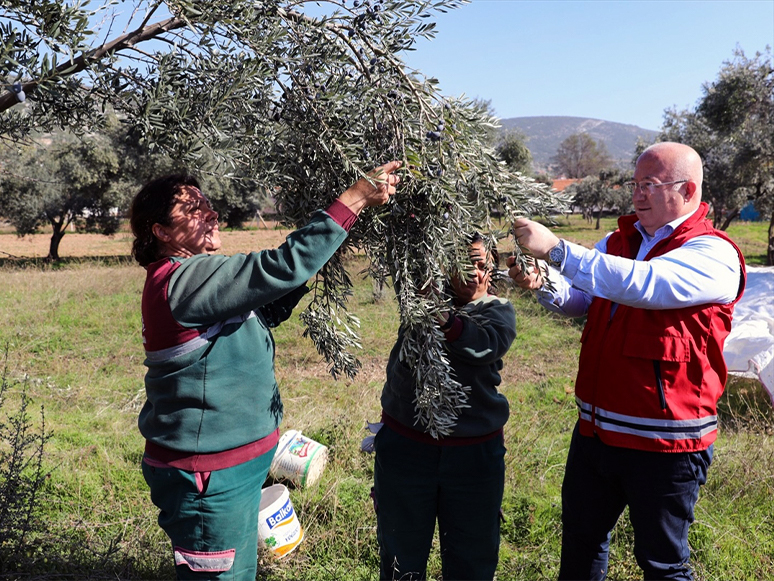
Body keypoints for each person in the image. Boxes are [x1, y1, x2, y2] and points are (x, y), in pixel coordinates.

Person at [129, 161, 401, 580]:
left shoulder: (191, 281)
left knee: (238, 569)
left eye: (208, 204)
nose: (211, 213)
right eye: (193, 209)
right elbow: (278, 268)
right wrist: (355, 198)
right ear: (161, 232)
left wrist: (328, 245)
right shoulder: (183, 280)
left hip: (231, 467)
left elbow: (262, 306)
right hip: (209, 478)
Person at [507, 142, 746, 580]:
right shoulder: (620, 239)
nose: (636, 195)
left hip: (664, 445)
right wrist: (542, 283)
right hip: (596, 432)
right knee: (580, 546)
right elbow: (581, 300)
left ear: (688, 189)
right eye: (634, 184)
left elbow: (646, 285)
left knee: (662, 563)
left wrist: (559, 251)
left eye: (649, 185)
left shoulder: (714, 253)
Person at [373, 233, 517, 581]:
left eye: (484, 266)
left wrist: (443, 319)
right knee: (400, 557)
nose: (475, 273)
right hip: (406, 450)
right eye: (467, 263)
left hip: (474, 459)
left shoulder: (498, 312)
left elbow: (483, 345)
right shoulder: (419, 298)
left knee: (472, 558)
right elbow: (402, 256)